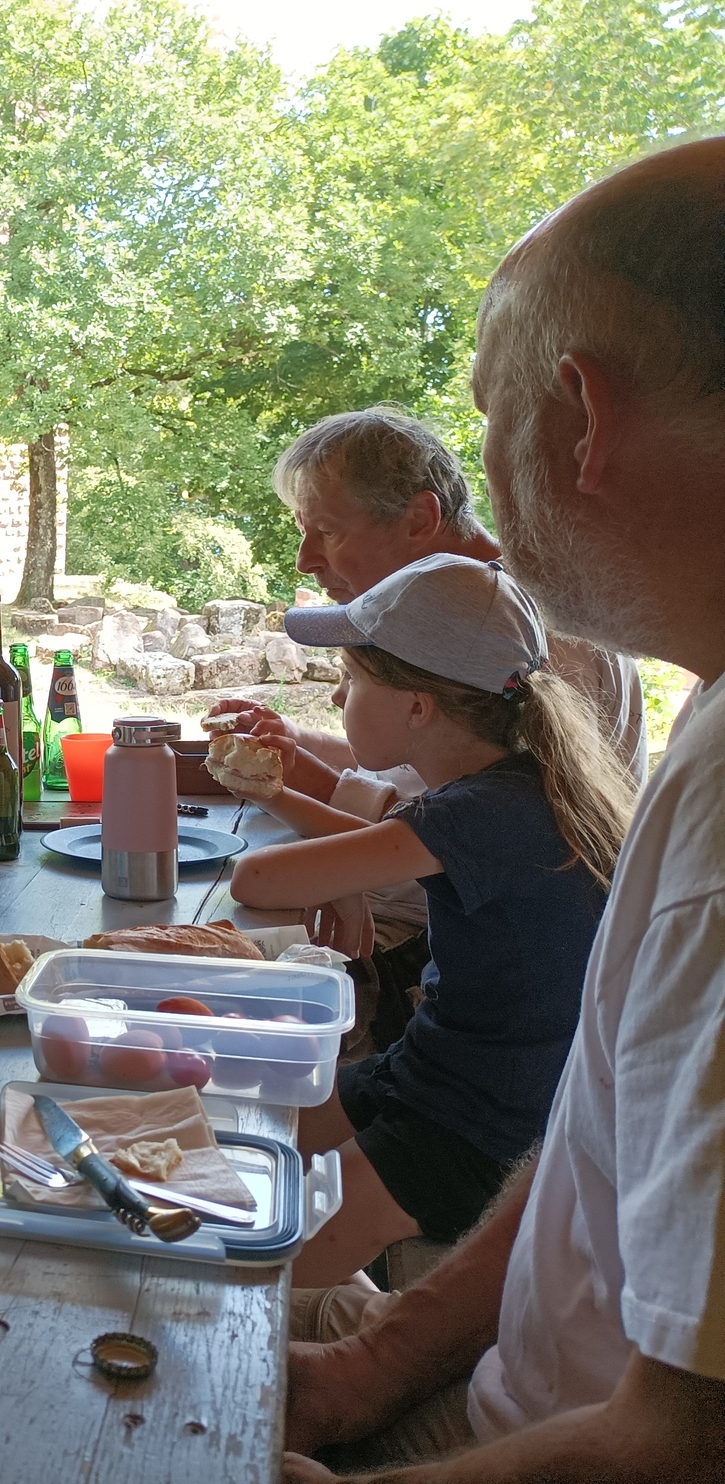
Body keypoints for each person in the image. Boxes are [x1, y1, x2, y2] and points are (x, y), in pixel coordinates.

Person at [281, 139, 725, 1481]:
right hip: (477, 1382)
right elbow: (588, 1139)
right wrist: (365, 1369)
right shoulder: (705, 718)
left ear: (582, 415)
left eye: (487, 408)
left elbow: (675, 1446)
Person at [223, 556, 630, 1288]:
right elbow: (376, 852)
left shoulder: (477, 813)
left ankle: (345, 1327)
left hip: (477, 1130)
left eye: (351, 680)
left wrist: (345, 876)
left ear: (419, 706)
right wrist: (338, 865)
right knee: (236, 1140)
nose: (338, 697)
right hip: (434, 1074)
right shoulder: (513, 788)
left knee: (248, 1268)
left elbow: (257, 878)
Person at [209, 408, 645, 1048]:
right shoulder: (466, 638)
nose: (305, 561)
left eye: (326, 531)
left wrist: (339, 859)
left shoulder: (527, 635)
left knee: (222, 1009)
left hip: (461, 986)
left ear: (419, 518)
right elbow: (429, 777)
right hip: (432, 947)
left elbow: (466, 844)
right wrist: (299, 749)